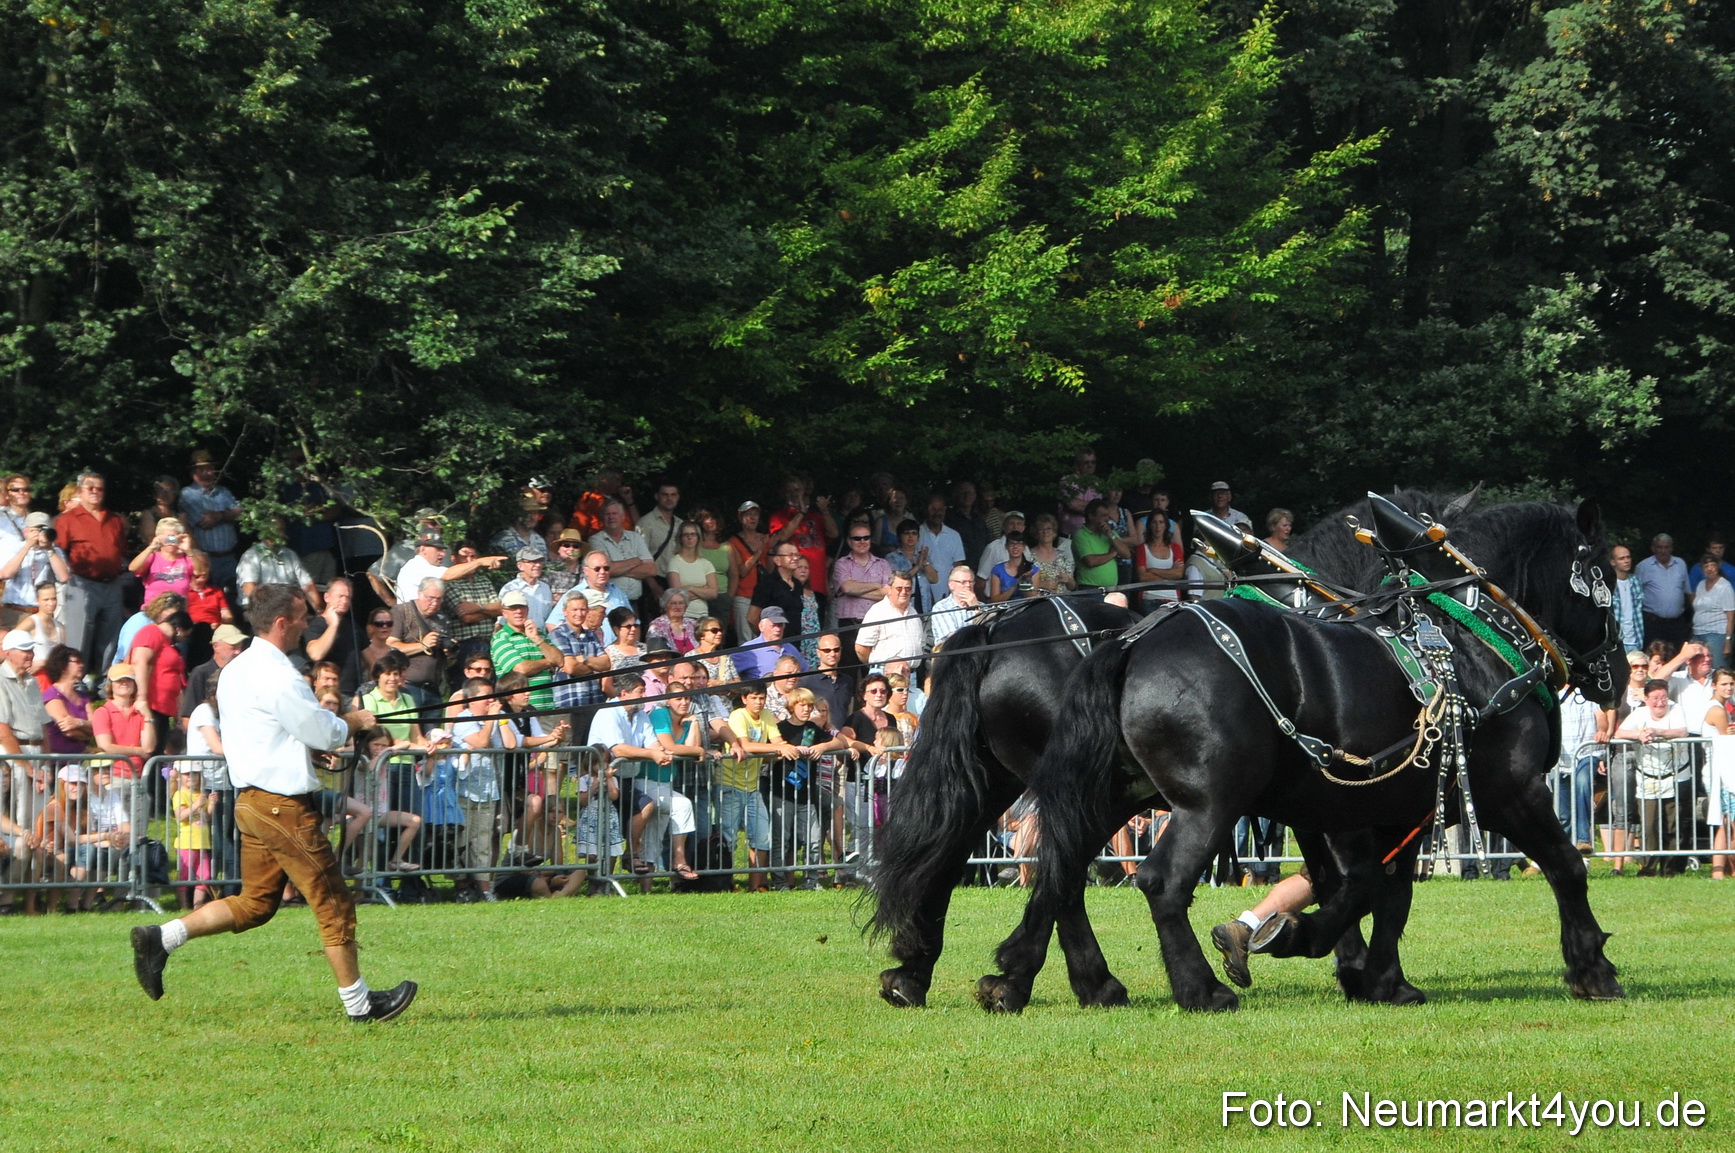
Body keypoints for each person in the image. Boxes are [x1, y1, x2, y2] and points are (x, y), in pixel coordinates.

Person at [129, 583, 418, 1022]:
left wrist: (302, 750)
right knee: (333, 900)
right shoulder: (279, 674)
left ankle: (162, 937)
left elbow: (266, 731)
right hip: (283, 806)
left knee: (256, 903)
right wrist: (354, 720)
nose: (308, 624)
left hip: (251, 801)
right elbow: (322, 729)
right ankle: (360, 1005)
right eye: (303, 617)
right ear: (282, 622)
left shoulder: (237, 670)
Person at [1613, 678, 1691, 876]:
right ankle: (1648, 868)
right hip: (1648, 777)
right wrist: (1638, 735)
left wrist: (1658, 732)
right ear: (1646, 699)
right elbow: (1619, 733)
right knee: (1649, 826)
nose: (1660, 702)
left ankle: (1671, 870)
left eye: (1663, 697)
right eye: (1655, 698)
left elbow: (1682, 731)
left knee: (1674, 824)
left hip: (1676, 775)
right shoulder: (1640, 714)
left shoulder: (1676, 709)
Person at [56, 470, 130, 672]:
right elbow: (59, 551)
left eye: (100, 489)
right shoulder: (68, 519)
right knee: (79, 636)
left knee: (110, 637)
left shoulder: (114, 519)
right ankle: (76, 679)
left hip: (112, 584)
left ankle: (104, 681)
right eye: (90, 488)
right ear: (80, 490)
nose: (95, 492)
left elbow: (122, 551)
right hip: (81, 583)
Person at [178, 449, 243, 590]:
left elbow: (241, 513)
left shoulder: (223, 492)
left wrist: (220, 516)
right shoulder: (187, 494)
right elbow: (205, 521)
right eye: (201, 470)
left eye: (209, 469)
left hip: (229, 557)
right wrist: (228, 515)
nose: (206, 473)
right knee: (209, 596)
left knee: (233, 595)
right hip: (205, 558)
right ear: (193, 473)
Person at [490, 590, 560, 710]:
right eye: (513, 608)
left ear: (527, 610)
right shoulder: (500, 638)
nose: (518, 611)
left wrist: (537, 639)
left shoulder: (539, 634)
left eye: (521, 607)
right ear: (504, 613)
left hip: (549, 706)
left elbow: (560, 660)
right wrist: (548, 662)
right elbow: (521, 669)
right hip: (521, 709)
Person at [393, 532, 506, 605]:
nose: (442, 554)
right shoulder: (417, 566)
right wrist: (479, 562)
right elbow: (447, 574)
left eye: (443, 550)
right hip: (413, 620)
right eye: (438, 549)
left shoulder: (424, 566)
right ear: (423, 549)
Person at [0, 510, 70, 627]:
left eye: (43, 530)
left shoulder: (54, 551)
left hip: (42, 612)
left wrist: (49, 549)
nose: (39, 534)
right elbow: (6, 574)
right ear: (26, 531)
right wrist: (27, 546)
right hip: (15, 611)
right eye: (35, 530)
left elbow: (64, 577)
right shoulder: (14, 548)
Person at [767, 477, 837, 595]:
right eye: (789, 491)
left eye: (797, 490)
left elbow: (834, 533)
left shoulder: (815, 516)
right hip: (793, 587)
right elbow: (782, 537)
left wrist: (825, 511)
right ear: (783, 494)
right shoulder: (779, 516)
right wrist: (801, 513)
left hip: (818, 585)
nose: (793, 494)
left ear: (803, 491)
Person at [586, 500, 657, 612]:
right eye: (607, 514)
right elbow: (605, 570)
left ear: (623, 517)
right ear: (602, 518)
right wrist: (635, 561)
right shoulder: (595, 540)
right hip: (609, 603)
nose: (611, 517)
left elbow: (651, 569)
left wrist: (616, 568)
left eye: (615, 513)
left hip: (634, 604)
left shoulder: (636, 538)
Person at [830, 521, 891, 647]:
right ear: (849, 541)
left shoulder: (883, 564)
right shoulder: (841, 563)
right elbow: (847, 587)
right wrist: (876, 585)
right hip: (850, 624)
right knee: (849, 660)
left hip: (878, 623)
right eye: (857, 538)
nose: (862, 541)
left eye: (866, 537)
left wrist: (855, 591)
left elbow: (888, 593)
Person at [1703, 667, 1735, 880]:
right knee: (1728, 823)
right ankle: (1724, 870)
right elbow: (1727, 741)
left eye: (1731, 684)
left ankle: (1720, 871)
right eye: (1724, 684)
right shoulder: (1717, 710)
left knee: (1725, 825)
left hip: (1722, 769)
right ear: (1714, 685)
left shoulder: (1724, 707)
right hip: (1721, 773)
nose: (1728, 688)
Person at [854, 572, 923, 668]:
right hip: (884, 672)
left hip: (911, 673)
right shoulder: (877, 611)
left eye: (908, 588)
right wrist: (877, 666)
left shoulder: (914, 613)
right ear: (889, 589)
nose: (904, 592)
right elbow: (861, 648)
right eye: (899, 588)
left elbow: (921, 644)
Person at [1635, 533, 1692, 646]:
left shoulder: (1680, 564)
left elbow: (1688, 591)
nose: (1663, 551)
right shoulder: (1643, 567)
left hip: (1677, 623)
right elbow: (1635, 596)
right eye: (1659, 547)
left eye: (1666, 547)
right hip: (1653, 623)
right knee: (1654, 654)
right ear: (1653, 549)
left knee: (1679, 654)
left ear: (1671, 548)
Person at [659, 521, 717, 622]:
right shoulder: (674, 562)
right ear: (680, 538)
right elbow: (677, 595)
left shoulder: (706, 564)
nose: (689, 537)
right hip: (682, 615)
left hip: (702, 615)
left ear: (698, 537)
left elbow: (713, 593)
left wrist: (689, 588)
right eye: (686, 535)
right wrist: (702, 590)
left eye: (693, 534)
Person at [727, 501, 768, 644]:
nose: (752, 518)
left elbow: (770, 568)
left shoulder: (764, 538)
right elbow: (742, 571)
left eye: (755, 514)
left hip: (763, 595)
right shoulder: (733, 542)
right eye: (748, 514)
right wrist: (759, 551)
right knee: (745, 639)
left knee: (764, 637)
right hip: (743, 595)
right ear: (740, 517)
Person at [915, 496, 964, 612]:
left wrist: (954, 590)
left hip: (948, 594)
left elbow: (958, 566)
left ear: (945, 511)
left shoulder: (954, 535)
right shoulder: (917, 533)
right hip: (922, 594)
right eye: (933, 509)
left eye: (940, 509)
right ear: (926, 510)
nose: (937, 513)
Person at [1073, 498, 1130, 594]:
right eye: (1103, 516)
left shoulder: (1110, 533)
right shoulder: (1081, 535)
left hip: (1111, 590)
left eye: (1108, 516)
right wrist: (1112, 554)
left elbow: (1127, 554)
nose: (1107, 519)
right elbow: (1090, 561)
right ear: (1091, 516)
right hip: (1090, 589)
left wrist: (1111, 536)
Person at [1135, 509, 1186, 610]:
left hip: (1172, 599)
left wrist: (1153, 570)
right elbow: (1142, 577)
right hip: (1149, 598)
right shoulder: (1142, 548)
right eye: (1154, 522)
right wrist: (1169, 574)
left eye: (1161, 522)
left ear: (1166, 525)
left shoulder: (1175, 548)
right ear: (1149, 525)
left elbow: (1179, 574)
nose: (1157, 526)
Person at [1690, 555, 1735, 668]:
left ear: (1718, 567)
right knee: (1692, 667)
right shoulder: (1700, 585)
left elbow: (1731, 617)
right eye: (1706, 566)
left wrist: (1727, 641)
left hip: (1717, 635)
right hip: (1698, 633)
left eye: (1713, 565)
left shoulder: (1725, 586)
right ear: (1702, 569)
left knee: (1717, 669)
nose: (1710, 569)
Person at [737, 606, 804, 680]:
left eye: (780, 625)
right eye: (773, 625)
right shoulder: (748, 650)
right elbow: (729, 673)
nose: (778, 629)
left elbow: (805, 672)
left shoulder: (791, 649)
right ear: (761, 626)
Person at [927, 564, 980, 650]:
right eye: (963, 582)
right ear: (951, 585)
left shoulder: (981, 606)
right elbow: (953, 639)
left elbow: (989, 632)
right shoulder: (941, 607)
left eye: (970, 582)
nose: (968, 585)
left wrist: (976, 608)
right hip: (952, 654)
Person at [1027, 513, 1075, 594]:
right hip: (1037, 600)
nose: (1045, 532)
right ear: (1036, 533)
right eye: (1041, 529)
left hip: (1060, 600)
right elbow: (1020, 585)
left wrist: (1068, 580)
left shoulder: (1062, 556)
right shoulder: (1028, 556)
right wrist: (1041, 584)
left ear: (1054, 532)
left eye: (1049, 528)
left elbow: (1072, 586)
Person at [1609, 544, 1643, 652]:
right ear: (1613, 562)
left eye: (1628, 557)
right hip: (1616, 642)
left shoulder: (1636, 581)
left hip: (1636, 640)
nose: (1626, 561)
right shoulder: (1608, 584)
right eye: (1621, 558)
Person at [985, 532, 1036, 602]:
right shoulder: (997, 569)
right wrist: (1014, 587)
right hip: (1005, 607)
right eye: (1012, 543)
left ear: (1024, 547)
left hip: (1026, 607)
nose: (1015, 547)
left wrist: (1025, 582)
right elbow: (994, 600)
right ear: (1006, 546)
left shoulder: (1032, 569)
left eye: (1019, 543)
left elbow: (1032, 599)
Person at [647, 587, 700, 654]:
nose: (678, 607)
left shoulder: (692, 624)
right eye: (673, 603)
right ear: (665, 606)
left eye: (681, 603)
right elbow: (655, 653)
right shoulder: (657, 626)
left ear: (686, 606)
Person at [692, 616, 739, 686]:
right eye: (714, 630)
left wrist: (721, 683)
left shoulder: (725, 657)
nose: (719, 633)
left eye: (720, 630)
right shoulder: (691, 657)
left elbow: (738, 683)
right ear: (701, 634)